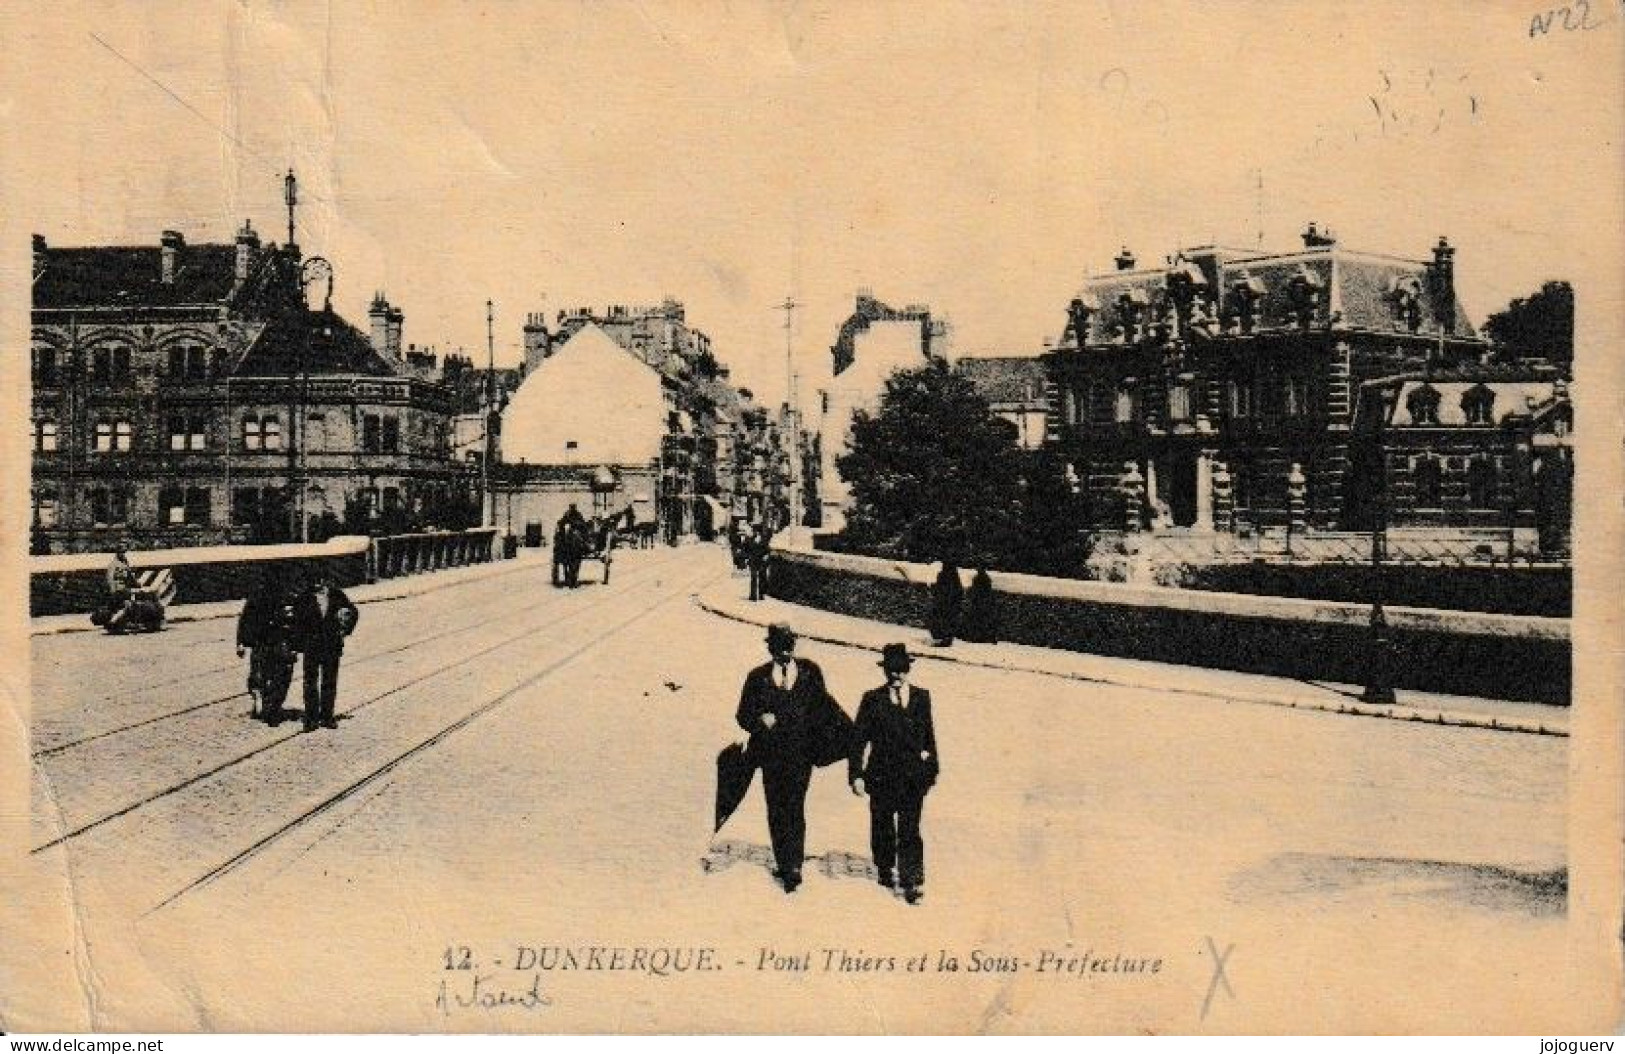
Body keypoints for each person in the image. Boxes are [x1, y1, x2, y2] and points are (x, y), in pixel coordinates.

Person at [735, 622, 846, 893]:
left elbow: (824, 707)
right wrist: (760, 720)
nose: (785, 653)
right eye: (779, 648)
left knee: (795, 806)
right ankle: (783, 860)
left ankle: (793, 865)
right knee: (776, 807)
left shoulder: (810, 673)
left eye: (789, 647)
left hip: (800, 754)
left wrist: (841, 738)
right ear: (771, 649)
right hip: (771, 756)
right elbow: (742, 714)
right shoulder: (757, 678)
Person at [849, 643, 939, 905]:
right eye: (891, 670)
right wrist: (856, 775)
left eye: (900, 670)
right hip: (881, 776)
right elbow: (858, 740)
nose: (896, 676)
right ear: (884, 671)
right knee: (882, 825)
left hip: (913, 778)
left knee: (910, 828)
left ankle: (911, 880)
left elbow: (929, 738)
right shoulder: (872, 699)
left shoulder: (922, 698)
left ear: (908, 670)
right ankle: (885, 867)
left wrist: (931, 769)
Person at [290, 569, 359, 732]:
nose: (316, 584)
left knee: (329, 682)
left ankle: (327, 716)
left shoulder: (337, 595)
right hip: (311, 647)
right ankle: (311, 718)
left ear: (325, 581)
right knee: (310, 683)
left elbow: (354, 612)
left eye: (319, 580)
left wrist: (345, 630)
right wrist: (296, 646)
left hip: (331, 646)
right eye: (313, 581)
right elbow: (296, 624)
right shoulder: (304, 598)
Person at [237, 567, 296, 724]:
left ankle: (268, 703)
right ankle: (266, 701)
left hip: (274, 642)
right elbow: (246, 620)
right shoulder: (260, 598)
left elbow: (244, 621)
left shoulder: (286, 598)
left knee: (274, 674)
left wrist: (241, 643)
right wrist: (242, 642)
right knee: (268, 674)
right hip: (267, 642)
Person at [927, 559, 964, 646]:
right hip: (950, 604)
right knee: (947, 622)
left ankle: (942, 638)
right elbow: (958, 591)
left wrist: (934, 589)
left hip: (943, 603)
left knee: (941, 621)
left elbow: (940, 590)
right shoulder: (955, 577)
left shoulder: (943, 576)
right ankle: (946, 638)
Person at [960, 565, 1000, 643]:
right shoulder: (986, 579)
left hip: (978, 604)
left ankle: (977, 637)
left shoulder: (979, 579)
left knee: (978, 621)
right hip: (982, 604)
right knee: (983, 621)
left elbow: (976, 592)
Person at [747, 525, 771, 602]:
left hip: (761, 561)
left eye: (755, 531)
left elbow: (767, 550)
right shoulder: (750, 539)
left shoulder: (764, 540)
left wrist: (766, 556)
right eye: (753, 531)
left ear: (758, 532)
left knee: (762, 578)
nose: (754, 532)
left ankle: (761, 595)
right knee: (753, 578)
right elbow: (746, 548)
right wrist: (747, 557)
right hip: (753, 561)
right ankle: (753, 595)